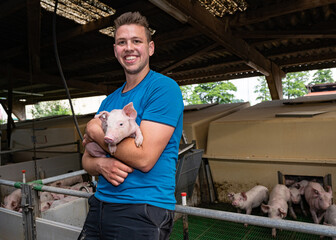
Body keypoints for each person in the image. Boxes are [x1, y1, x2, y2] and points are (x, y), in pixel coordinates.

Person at [77, 11, 184, 240]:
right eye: (121, 42)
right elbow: (85, 159)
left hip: (144, 208)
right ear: (115, 50)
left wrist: (96, 131)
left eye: (137, 41)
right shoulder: (109, 100)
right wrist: (100, 166)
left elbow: (144, 159)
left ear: (151, 47)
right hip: (101, 203)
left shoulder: (164, 89)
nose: (129, 47)